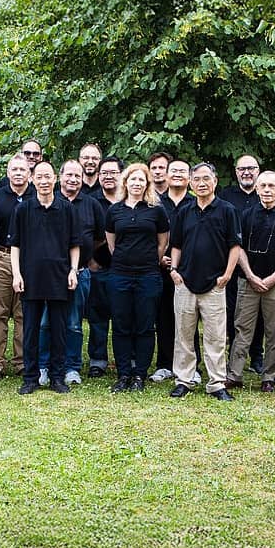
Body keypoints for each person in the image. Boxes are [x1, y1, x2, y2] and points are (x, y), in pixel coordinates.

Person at [169, 163, 242, 401]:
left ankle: (217, 383)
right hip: (185, 282)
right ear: (191, 183)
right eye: (197, 179)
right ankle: (183, 380)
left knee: (216, 337)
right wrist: (174, 270)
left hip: (215, 284)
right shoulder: (184, 212)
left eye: (206, 179)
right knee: (183, 335)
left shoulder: (227, 210)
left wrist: (227, 275)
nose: (201, 183)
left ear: (215, 181)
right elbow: (176, 244)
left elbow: (235, 246)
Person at [10, 160, 80, 395]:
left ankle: (57, 377)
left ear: (55, 179)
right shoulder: (23, 210)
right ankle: (30, 378)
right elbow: (15, 245)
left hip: (60, 278)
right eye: (39, 177)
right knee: (30, 330)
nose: (43, 181)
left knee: (59, 330)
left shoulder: (67, 209)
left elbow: (74, 244)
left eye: (47, 176)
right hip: (30, 278)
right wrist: (17, 274)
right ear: (32, 179)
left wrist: (73, 270)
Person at [225, 171, 275, 392]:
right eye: (262, 186)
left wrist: (274, 276)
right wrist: (250, 275)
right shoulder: (244, 215)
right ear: (256, 189)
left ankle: (268, 377)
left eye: (271, 186)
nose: (267, 190)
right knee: (242, 329)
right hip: (248, 281)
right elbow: (238, 247)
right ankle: (234, 374)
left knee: (274, 332)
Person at [39, 159, 105, 385]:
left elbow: (99, 238)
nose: (73, 179)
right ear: (60, 177)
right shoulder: (48, 201)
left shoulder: (92, 204)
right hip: (49, 275)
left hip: (80, 272)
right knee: (45, 322)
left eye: (78, 175)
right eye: (69, 175)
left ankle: (71, 368)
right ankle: (43, 366)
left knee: (74, 324)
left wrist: (87, 257)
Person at [105, 163, 170, 391]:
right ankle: (124, 374)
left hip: (148, 276)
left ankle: (140, 375)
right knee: (121, 325)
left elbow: (162, 243)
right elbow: (112, 243)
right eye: (133, 179)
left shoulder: (156, 211)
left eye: (141, 179)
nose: (137, 183)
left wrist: (150, 260)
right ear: (125, 182)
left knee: (145, 326)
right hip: (119, 276)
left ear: (147, 184)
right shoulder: (114, 211)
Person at [0, 153, 35, 380]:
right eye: (14, 169)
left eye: (22, 169)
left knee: (23, 314)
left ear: (29, 174)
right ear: (7, 173)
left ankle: (21, 362)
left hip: (29, 260)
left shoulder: (37, 196)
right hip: (2, 257)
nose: (18, 173)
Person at [152, 157, 196, 381]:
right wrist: (159, 258)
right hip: (160, 270)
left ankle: (191, 367)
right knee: (164, 318)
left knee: (189, 320)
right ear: (167, 175)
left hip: (189, 271)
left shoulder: (195, 203)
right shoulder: (155, 203)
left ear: (189, 177)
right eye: (174, 170)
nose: (177, 174)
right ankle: (164, 364)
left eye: (182, 171)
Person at [219, 153, 264, 374]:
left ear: (258, 171)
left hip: (260, 265)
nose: (246, 172)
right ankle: (233, 354)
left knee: (259, 314)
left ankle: (256, 356)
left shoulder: (264, 193)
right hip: (231, 266)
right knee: (231, 312)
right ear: (236, 172)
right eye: (242, 169)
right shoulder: (225, 196)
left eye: (251, 168)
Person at [86, 156, 124, 377]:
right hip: (99, 268)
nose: (108, 177)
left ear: (121, 175)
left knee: (123, 316)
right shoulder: (91, 201)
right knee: (98, 316)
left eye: (113, 173)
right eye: (104, 173)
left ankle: (124, 359)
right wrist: (91, 260)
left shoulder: (130, 200)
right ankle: (98, 360)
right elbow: (85, 233)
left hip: (126, 270)